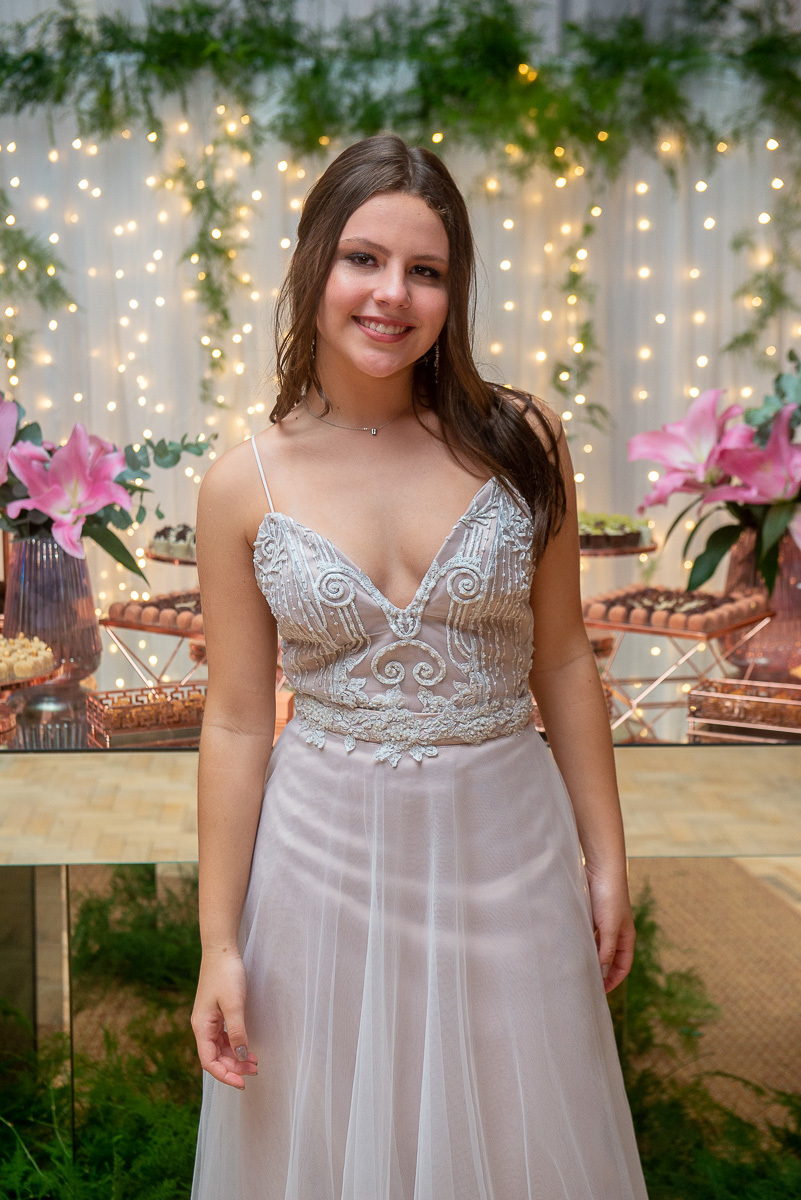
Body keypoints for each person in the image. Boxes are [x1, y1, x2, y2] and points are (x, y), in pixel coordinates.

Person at [190, 133, 649, 1199]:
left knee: (516, 1134)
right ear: (314, 264)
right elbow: (236, 721)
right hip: (318, 869)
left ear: (454, 290)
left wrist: (608, 857)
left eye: (426, 269)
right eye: (364, 258)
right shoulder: (240, 485)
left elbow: (567, 661)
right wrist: (221, 942)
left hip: (509, 855)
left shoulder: (519, 440)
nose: (392, 294)